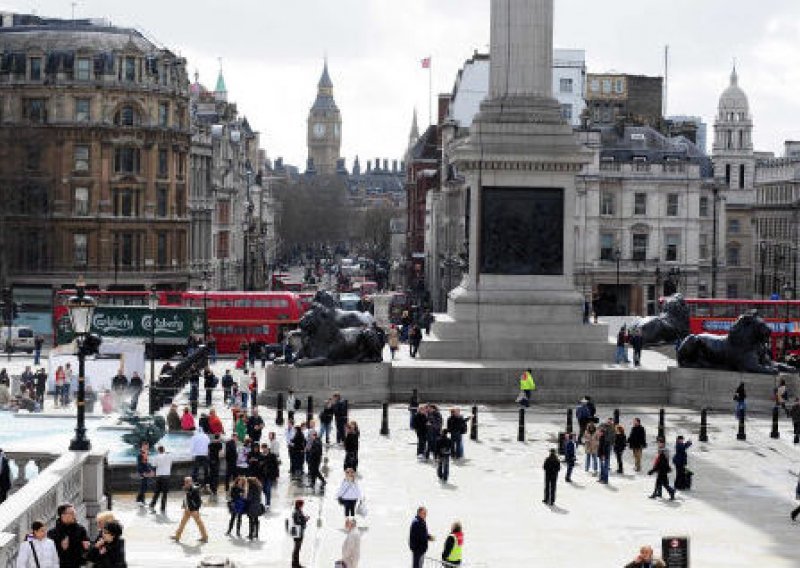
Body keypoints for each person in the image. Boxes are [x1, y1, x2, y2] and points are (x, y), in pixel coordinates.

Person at [47, 503, 90, 568]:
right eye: (71, 513)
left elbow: (86, 552)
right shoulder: (52, 533)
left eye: (74, 513)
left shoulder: (81, 529)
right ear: (62, 515)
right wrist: (62, 548)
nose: (74, 515)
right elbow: (49, 554)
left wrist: (86, 548)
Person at [171, 477, 208, 543]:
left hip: (193, 510)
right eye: (185, 482)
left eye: (188, 482)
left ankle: (205, 537)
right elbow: (186, 498)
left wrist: (196, 509)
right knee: (182, 523)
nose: (186, 483)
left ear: (191, 482)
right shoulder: (187, 488)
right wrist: (184, 505)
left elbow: (198, 501)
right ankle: (177, 536)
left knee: (199, 523)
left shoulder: (194, 489)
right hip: (188, 509)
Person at [149, 445, 173, 513]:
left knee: (157, 492)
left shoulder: (156, 457)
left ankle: (152, 504)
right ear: (164, 450)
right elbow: (170, 454)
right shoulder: (169, 456)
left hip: (159, 476)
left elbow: (153, 466)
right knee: (164, 493)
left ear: (158, 450)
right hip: (166, 476)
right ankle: (163, 507)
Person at [259, 443, 279, 509]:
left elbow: (276, 465)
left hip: (270, 475)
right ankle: (267, 499)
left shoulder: (272, 455)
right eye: (263, 448)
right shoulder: (261, 456)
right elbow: (259, 465)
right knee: (264, 489)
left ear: (267, 448)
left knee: (268, 489)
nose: (264, 450)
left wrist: (277, 475)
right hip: (262, 475)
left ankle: (268, 503)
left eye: (265, 448)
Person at [290, 499, 309, 568]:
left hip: (299, 532)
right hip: (298, 533)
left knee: (297, 548)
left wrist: (304, 519)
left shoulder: (298, 511)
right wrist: (305, 520)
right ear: (300, 505)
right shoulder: (296, 512)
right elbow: (298, 522)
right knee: (297, 549)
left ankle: (296, 563)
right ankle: (295, 564)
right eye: (302, 504)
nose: (303, 506)